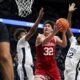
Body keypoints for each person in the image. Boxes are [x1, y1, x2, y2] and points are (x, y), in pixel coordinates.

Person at [14, 8, 44, 80]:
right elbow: (32, 31)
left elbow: (16, 57)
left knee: (42, 78)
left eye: (26, 33)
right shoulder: (21, 41)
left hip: (27, 67)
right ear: (19, 37)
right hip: (25, 66)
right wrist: (39, 18)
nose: (26, 34)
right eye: (24, 33)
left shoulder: (24, 44)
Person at [64, 3, 80, 80]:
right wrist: (70, 13)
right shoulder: (73, 41)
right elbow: (67, 27)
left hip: (74, 72)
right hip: (66, 71)